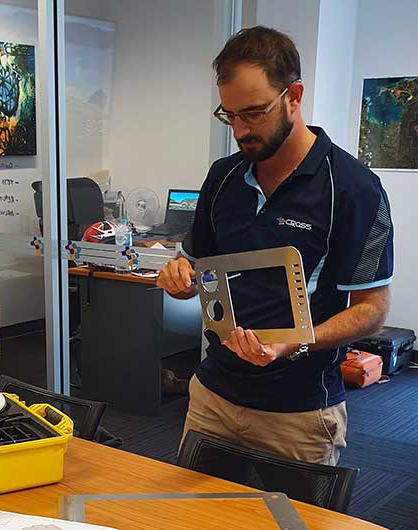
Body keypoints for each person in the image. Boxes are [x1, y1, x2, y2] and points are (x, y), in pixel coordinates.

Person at [157, 26, 393, 465]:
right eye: (229, 116)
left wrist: (295, 342)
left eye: (254, 113)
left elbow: (373, 309)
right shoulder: (223, 178)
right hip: (213, 397)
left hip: (299, 412)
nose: (241, 131)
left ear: (294, 96)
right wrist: (178, 278)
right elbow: (195, 269)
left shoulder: (354, 189)